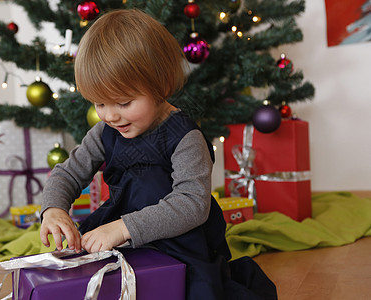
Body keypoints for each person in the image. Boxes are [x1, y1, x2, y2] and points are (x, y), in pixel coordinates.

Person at [40, 9, 276, 300]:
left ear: (160, 86)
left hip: (178, 242)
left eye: (124, 102)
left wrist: (124, 228)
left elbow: (191, 204)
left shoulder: (184, 137)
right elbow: (67, 172)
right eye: (99, 103)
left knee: (194, 291)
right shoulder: (104, 132)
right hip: (121, 236)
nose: (111, 115)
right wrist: (53, 208)